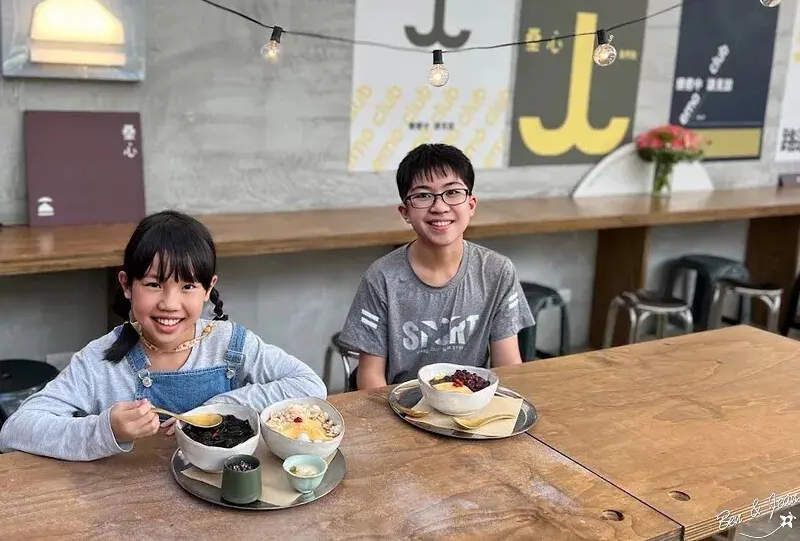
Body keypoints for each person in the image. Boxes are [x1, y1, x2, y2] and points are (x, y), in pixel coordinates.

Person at [0, 210, 326, 461]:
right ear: (127, 285)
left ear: (208, 288)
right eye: (154, 284)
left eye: (188, 286)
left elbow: (310, 385)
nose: (169, 304)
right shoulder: (99, 361)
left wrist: (226, 405)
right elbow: (15, 430)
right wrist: (106, 428)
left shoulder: (232, 346)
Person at [340, 143, 535, 390]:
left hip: (471, 402)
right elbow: (370, 377)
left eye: (452, 192)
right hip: (399, 404)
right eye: (423, 195)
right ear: (405, 212)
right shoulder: (382, 278)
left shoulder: (497, 272)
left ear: (471, 205)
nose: (440, 207)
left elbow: (507, 368)